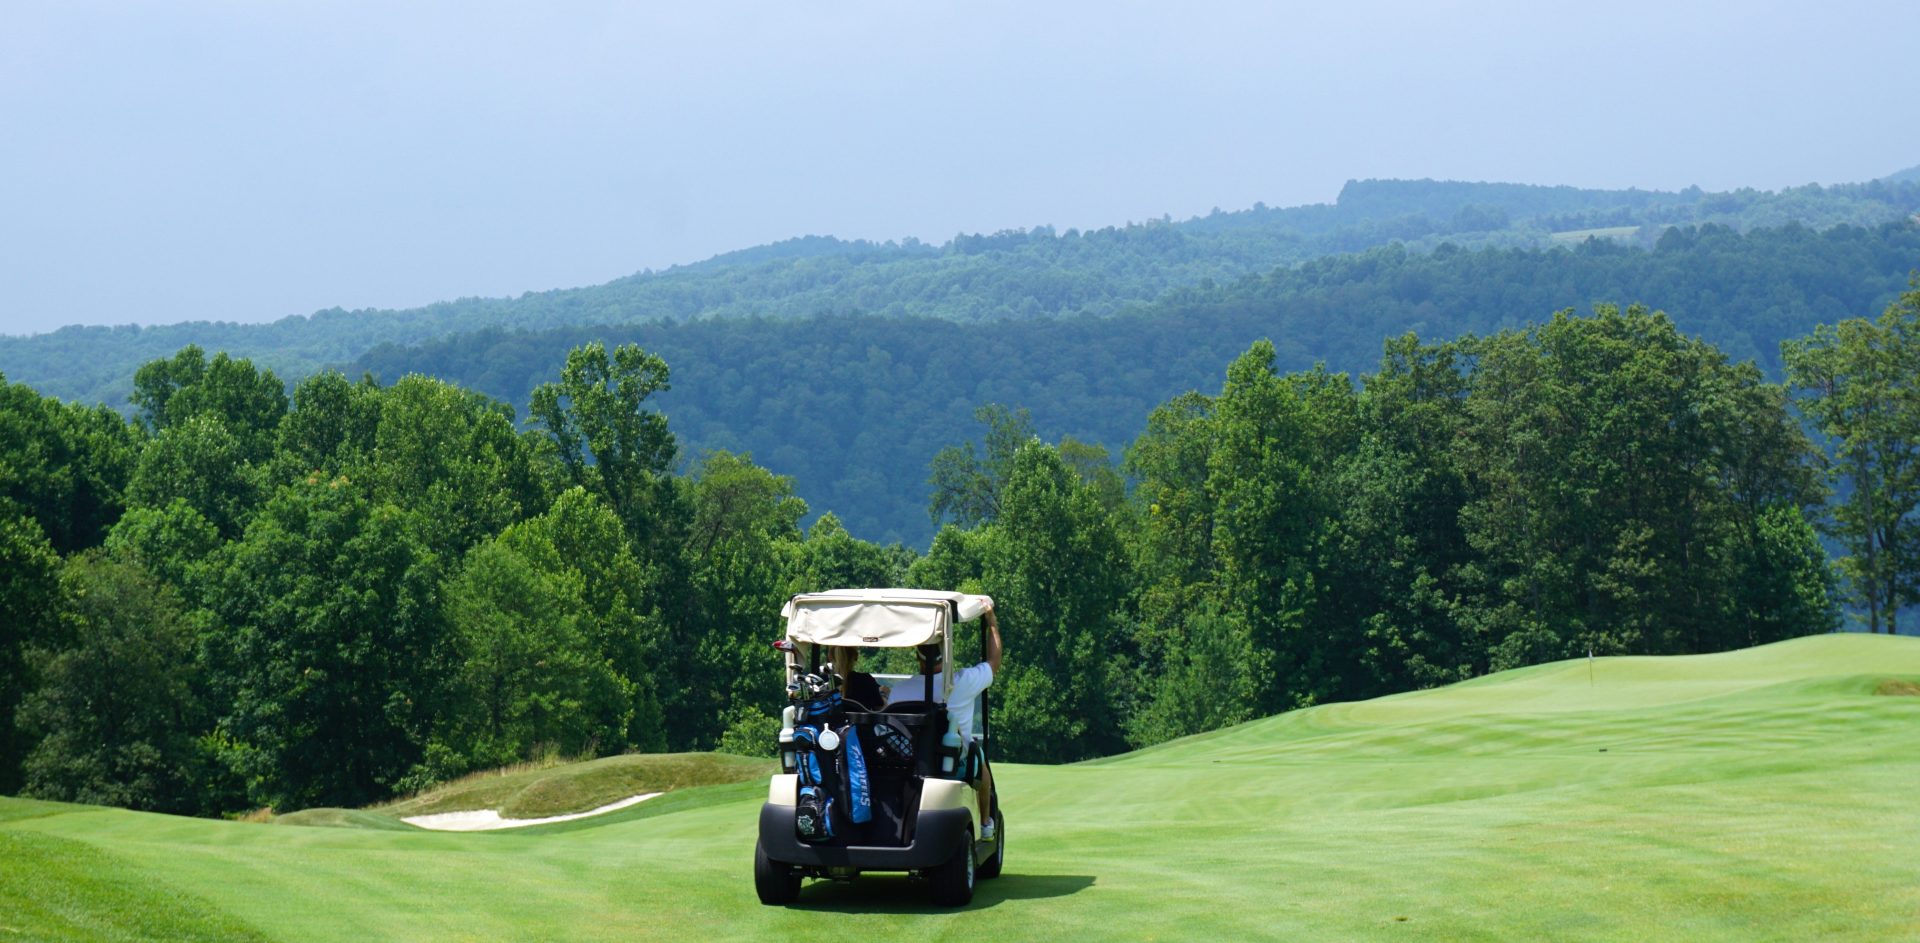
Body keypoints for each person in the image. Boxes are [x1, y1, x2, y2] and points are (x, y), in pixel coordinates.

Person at [914, 602, 1002, 841]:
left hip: (910, 761)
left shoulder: (902, 689)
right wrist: (991, 623)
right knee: (979, 759)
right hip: (951, 760)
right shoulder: (963, 681)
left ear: (918, 658)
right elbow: (994, 664)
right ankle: (985, 823)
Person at [838, 648, 888, 712]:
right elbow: (880, 709)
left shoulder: (826, 681)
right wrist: (883, 694)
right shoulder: (865, 680)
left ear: (830, 657)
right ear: (855, 657)